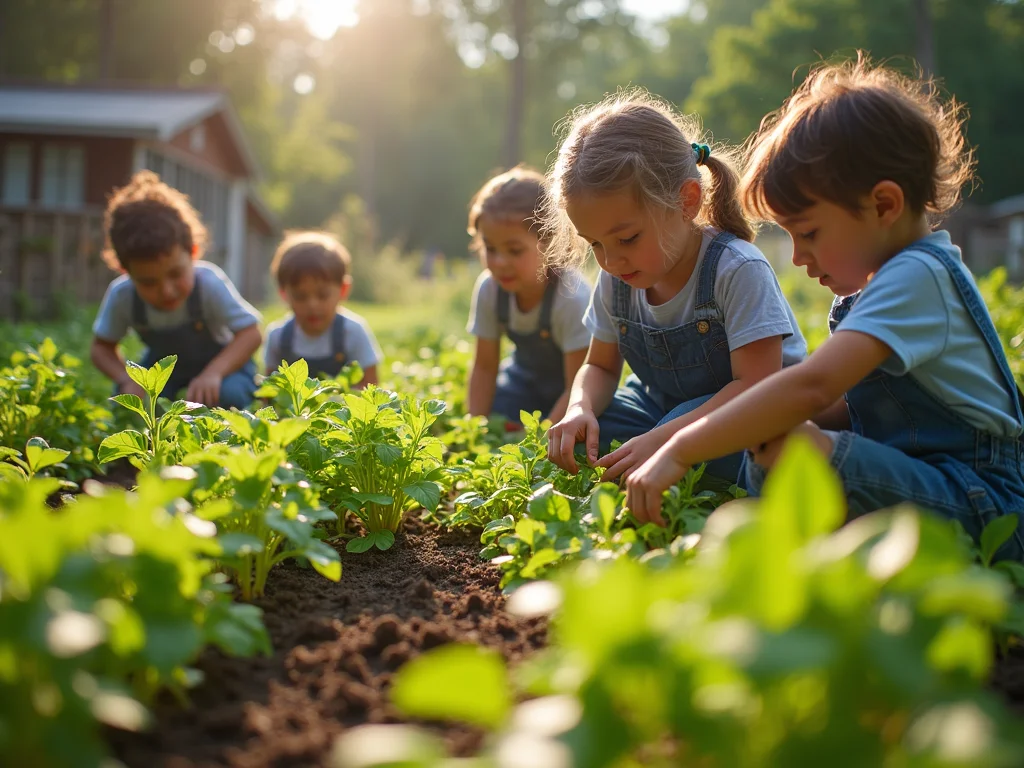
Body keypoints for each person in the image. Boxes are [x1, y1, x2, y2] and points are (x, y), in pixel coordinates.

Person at [623, 56, 1024, 562]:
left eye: (809, 232)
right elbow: (843, 406)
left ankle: (785, 568)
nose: (797, 257)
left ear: (883, 205)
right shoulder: (875, 286)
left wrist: (680, 448)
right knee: (779, 440)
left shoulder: (919, 277)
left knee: (792, 447)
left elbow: (813, 388)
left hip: (989, 508)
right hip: (927, 483)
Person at [544, 90, 806, 486]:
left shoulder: (736, 269)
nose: (610, 262)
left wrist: (666, 439)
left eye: (628, 238)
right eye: (594, 244)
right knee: (593, 433)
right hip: (660, 409)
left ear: (686, 201)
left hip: (752, 413)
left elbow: (755, 388)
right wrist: (579, 407)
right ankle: (659, 464)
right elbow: (599, 366)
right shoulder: (616, 281)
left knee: (736, 453)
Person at [90, 171, 261, 408]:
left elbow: (250, 334)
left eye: (175, 274)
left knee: (227, 395)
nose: (167, 291)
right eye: (148, 283)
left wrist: (213, 373)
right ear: (124, 270)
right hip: (164, 373)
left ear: (193, 251)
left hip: (223, 368)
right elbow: (101, 348)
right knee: (129, 403)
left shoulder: (208, 284)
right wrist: (126, 379)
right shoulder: (123, 295)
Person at [466, 167, 592, 425]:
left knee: (600, 423)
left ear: (548, 243)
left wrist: (539, 439)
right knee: (501, 411)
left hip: (573, 392)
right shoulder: (490, 289)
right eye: (490, 248)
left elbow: (578, 387)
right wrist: (474, 429)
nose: (500, 262)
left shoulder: (570, 297)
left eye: (514, 250)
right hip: (521, 385)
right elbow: (485, 367)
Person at [264, 231, 383, 385]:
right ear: (283, 294)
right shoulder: (278, 337)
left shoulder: (353, 332)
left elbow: (371, 387)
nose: (312, 305)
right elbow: (269, 392)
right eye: (300, 296)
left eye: (323, 295)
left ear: (343, 290)